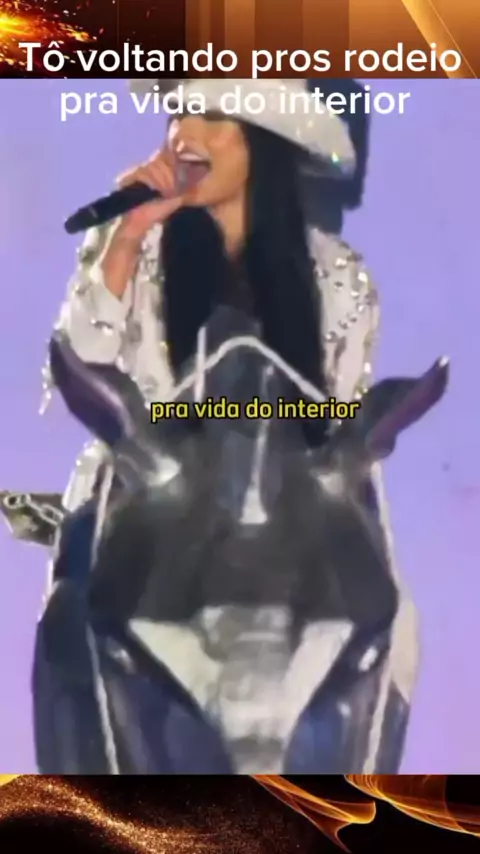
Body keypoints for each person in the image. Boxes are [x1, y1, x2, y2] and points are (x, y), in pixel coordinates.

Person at [33, 77, 416, 772]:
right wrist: (128, 237)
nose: (185, 134)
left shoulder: (338, 278)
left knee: (397, 625)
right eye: (180, 113)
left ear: (263, 144)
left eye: (212, 117)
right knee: (66, 620)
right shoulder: (131, 244)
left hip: (284, 515)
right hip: (145, 508)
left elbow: (334, 420)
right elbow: (79, 366)